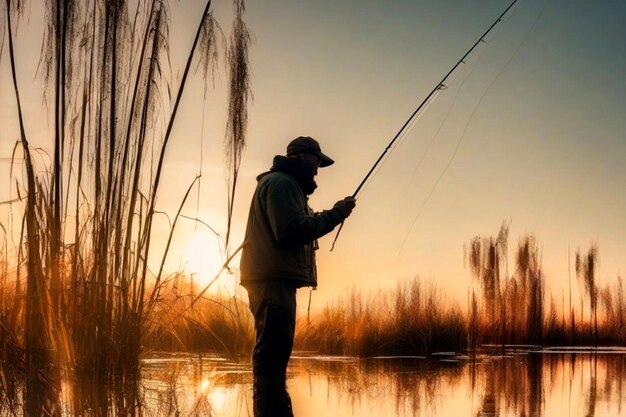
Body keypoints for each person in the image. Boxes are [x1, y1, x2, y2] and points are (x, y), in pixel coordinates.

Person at [240, 136, 356, 417]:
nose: (317, 170)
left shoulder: (286, 186)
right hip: (272, 280)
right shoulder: (281, 184)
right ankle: (269, 407)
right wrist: (337, 214)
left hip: (273, 279)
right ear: (301, 158)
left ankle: (268, 406)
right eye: (316, 162)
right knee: (273, 352)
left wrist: (332, 214)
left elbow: (298, 224)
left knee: (274, 350)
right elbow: (291, 230)